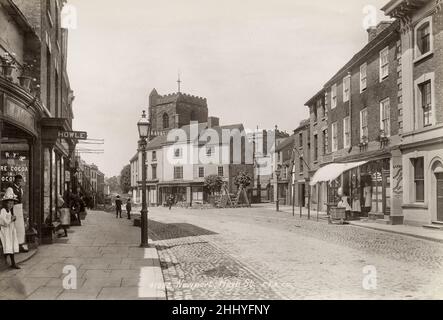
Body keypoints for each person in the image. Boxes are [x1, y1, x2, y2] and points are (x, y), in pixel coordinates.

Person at [0, 189, 20, 269]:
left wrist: (13, 219)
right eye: (9, 203)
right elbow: (2, 221)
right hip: (5, 231)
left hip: (10, 231)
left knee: (10, 246)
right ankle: (4, 262)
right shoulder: (3, 210)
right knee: (6, 245)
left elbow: (10, 220)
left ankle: (13, 263)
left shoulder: (9, 211)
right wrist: (10, 220)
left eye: (12, 204)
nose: (11, 205)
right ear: (6, 203)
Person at [10, 175, 28, 253]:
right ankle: (14, 246)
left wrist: (23, 211)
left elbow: (21, 200)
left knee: (20, 229)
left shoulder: (20, 189)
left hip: (19, 210)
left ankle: (20, 245)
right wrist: (11, 213)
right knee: (14, 229)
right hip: (14, 210)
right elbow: (9, 201)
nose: (19, 182)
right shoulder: (11, 189)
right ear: (15, 180)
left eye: (20, 181)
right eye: (18, 180)